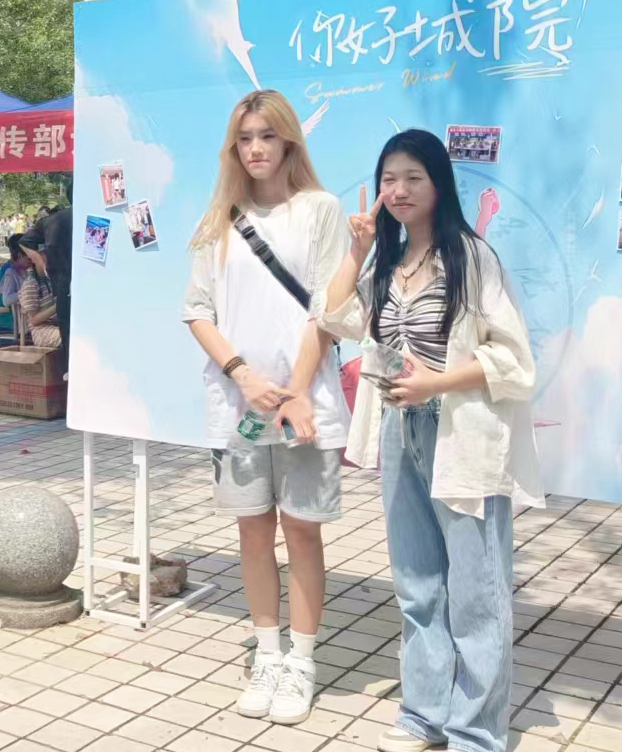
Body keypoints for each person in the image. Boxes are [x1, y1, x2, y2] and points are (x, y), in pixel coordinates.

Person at [321, 129, 542, 752]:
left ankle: (476, 731)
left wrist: (436, 382)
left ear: (439, 184)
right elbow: (335, 318)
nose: (398, 190)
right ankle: (424, 714)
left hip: (462, 433)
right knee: (417, 583)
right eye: (389, 179)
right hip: (401, 431)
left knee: (477, 591)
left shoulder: (471, 259)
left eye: (413, 178)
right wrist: (356, 250)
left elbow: (515, 362)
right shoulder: (387, 265)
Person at [181, 89, 350, 726]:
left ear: (289, 142)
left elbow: (328, 310)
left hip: (307, 406)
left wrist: (297, 391)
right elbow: (198, 311)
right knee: (252, 531)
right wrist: (243, 376)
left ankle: (302, 661)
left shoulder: (320, 210)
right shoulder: (218, 221)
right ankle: (267, 654)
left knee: (302, 531)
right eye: (245, 138)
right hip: (238, 407)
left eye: (267, 136)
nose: (255, 149)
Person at [21, 182, 72, 362]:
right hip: (82, 281)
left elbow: (25, 241)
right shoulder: (94, 216)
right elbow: (34, 320)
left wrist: (43, 263)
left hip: (62, 283)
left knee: (70, 334)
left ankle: (68, 371)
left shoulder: (52, 220)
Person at [18, 248, 61, 348]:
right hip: (41, 331)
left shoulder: (51, 280)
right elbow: (34, 320)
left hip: (59, 324)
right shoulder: (30, 284)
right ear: (34, 259)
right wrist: (58, 305)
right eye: (44, 254)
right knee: (70, 336)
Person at [0, 233, 28, 333]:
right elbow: (4, 293)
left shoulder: (20, 270)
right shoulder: (10, 271)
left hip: (15, 319)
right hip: (11, 321)